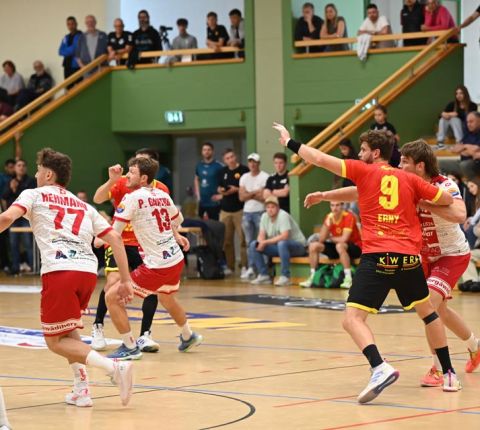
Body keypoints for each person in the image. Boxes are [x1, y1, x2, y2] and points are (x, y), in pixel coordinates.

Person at [274, 122, 460, 401]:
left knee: (352, 319)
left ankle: (379, 366)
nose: (359, 154)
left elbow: (320, 159)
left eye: (362, 150)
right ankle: (449, 374)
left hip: (378, 257)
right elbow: (446, 199)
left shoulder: (362, 171)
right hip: (409, 258)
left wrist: (290, 142)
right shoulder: (408, 179)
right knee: (429, 314)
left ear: (375, 153)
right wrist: (419, 199)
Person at [0, 148, 134, 407]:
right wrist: (126, 280)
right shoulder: (83, 205)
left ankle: (114, 368)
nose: (36, 175)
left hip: (60, 270)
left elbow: (6, 218)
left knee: (54, 341)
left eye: (38, 170)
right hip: (87, 273)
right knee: (68, 330)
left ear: (48, 174)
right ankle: (81, 389)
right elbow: (115, 239)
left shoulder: (33, 194)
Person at [398, 140, 480, 383]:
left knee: (428, 306)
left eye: (404, 161)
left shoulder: (445, 185)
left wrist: (425, 203)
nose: (400, 166)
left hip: (452, 254)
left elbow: (460, 215)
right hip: (425, 256)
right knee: (440, 310)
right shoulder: (405, 185)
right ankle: (475, 346)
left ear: (420, 166)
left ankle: (438, 369)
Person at [106, 156, 203, 359]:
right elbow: (177, 219)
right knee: (166, 297)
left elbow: (114, 234)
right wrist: (173, 235)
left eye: (131, 172)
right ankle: (188, 335)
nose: (127, 176)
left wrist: (98, 238)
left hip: (157, 265)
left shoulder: (132, 198)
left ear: (143, 178)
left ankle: (129, 346)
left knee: (112, 297)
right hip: (175, 258)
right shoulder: (162, 194)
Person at [91, 151, 170, 357]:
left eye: (139, 163)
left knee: (152, 289)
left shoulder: (160, 189)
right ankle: (98, 326)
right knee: (113, 283)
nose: (130, 171)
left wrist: (175, 236)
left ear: (147, 172)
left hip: (145, 244)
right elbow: (97, 198)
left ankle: (145, 335)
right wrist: (111, 180)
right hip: (120, 242)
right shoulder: (122, 182)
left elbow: (168, 217)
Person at [300, 201, 362, 289]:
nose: (334, 208)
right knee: (314, 246)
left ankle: (348, 278)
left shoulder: (349, 216)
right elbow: (321, 239)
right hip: (337, 247)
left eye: (337, 205)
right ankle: (312, 276)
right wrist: (327, 225)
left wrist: (330, 238)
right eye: (332, 205)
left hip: (355, 247)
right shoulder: (329, 217)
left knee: (340, 245)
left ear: (342, 206)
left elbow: (344, 239)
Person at [248, 196, 306, 286]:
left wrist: (265, 242)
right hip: (279, 247)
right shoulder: (264, 216)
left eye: (273, 207)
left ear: (278, 208)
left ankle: (285, 276)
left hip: (298, 247)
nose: (270, 210)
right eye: (268, 207)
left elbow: (284, 236)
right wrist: (260, 242)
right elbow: (261, 235)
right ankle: (263, 275)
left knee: (282, 243)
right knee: (253, 245)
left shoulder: (283, 215)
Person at [218, 149, 249, 276]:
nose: (230, 159)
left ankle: (245, 266)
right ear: (224, 160)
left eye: (232, 156)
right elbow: (219, 187)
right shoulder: (223, 172)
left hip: (240, 210)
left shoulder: (244, 170)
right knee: (226, 241)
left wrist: (236, 189)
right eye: (227, 158)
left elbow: (247, 188)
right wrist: (221, 190)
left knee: (243, 239)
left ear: (235, 156)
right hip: (225, 210)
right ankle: (230, 266)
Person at [2, 159, 36, 275]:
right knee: (13, 244)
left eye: (23, 165)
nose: (21, 167)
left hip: (26, 217)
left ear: (25, 168)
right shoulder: (10, 181)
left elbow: (29, 197)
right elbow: (4, 196)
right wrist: (11, 188)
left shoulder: (31, 181)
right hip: (13, 218)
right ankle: (15, 267)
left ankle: (33, 267)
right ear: (15, 168)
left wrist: (16, 189)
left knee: (28, 243)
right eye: (19, 165)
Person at [239, 153, 269, 281]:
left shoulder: (265, 177)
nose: (252, 164)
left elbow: (263, 197)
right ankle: (251, 268)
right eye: (250, 162)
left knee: (261, 241)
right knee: (248, 242)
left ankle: (263, 268)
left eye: (254, 162)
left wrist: (248, 193)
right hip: (247, 213)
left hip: (260, 212)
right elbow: (241, 197)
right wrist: (255, 192)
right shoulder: (244, 177)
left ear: (259, 163)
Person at [435, 85, 477, 150]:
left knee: (455, 119)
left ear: (465, 94)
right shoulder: (452, 104)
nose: (458, 95)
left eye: (461, 93)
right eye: (457, 93)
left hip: (465, 129)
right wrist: (444, 114)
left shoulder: (472, 105)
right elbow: (440, 116)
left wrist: (456, 114)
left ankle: (459, 142)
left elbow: (470, 118)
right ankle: (440, 142)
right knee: (443, 119)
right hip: (451, 131)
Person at [194, 142, 223, 220]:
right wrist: (198, 194)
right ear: (202, 152)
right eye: (204, 150)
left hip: (214, 203)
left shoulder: (219, 166)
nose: (206, 152)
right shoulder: (199, 165)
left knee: (214, 225)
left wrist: (221, 196)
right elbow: (196, 179)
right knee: (200, 225)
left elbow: (225, 181)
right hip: (202, 202)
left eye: (208, 150)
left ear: (212, 151)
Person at [451, 111, 480, 179]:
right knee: (439, 163)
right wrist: (465, 146)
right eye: (467, 122)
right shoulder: (468, 133)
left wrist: (463, 148)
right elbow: (455, 149)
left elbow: (476, 151)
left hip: (475, 164)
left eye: (471, 121)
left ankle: (475, 185)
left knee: (464, 165)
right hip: (463, 162)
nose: (468, 124)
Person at [59, 16, 82, 82]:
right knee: (68, 85)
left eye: (72, 24)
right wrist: (70, 50)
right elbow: (60, 51)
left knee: (79, 86)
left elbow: (74, 49)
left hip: (77, 65)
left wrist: (66, 50)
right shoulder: (66, 37)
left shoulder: (81, 35)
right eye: (68, 24)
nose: (71, 26)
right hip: (67, 65)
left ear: (76, 24)